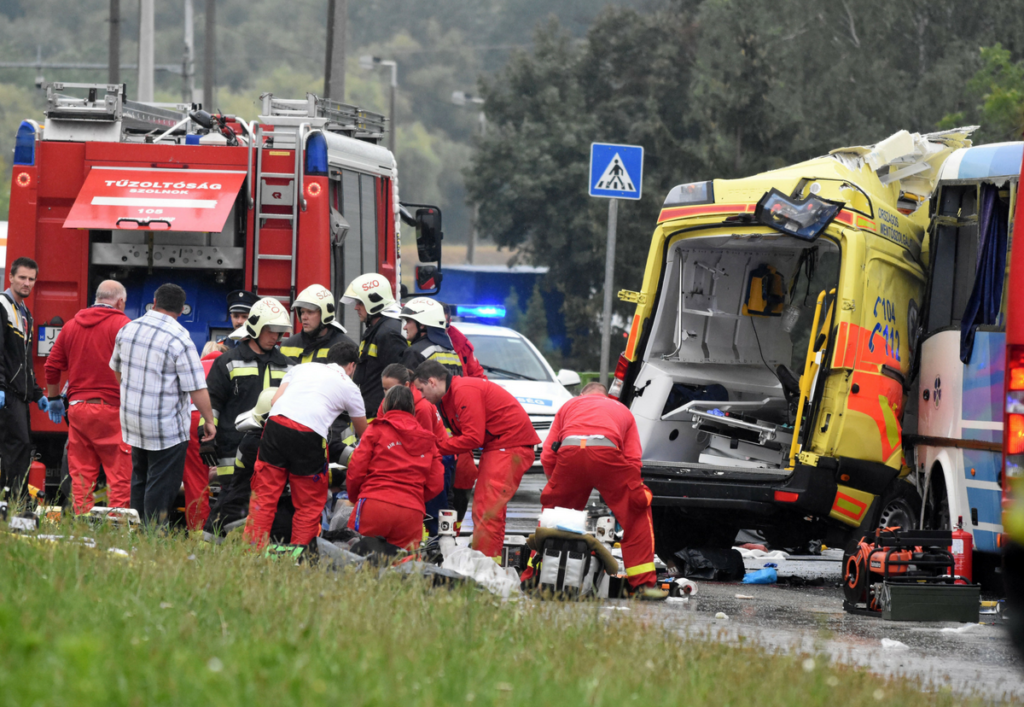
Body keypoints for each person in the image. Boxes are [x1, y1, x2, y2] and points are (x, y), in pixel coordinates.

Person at [539, 381, 665, 600]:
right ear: (607, 396)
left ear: (582, 394)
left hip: (570, 455)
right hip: (608, 453)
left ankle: (537, 575)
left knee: (554, 516)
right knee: (637, 513)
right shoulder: (621, 410)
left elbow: (548, 455)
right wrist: (631, 490)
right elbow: (633, 458)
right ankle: (643, 585)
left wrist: (556, 484)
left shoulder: (569, 406)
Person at [109, 283, 216, 526]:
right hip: (166, 428)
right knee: (161, 483)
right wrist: (209, 420)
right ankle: (153, 538)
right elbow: (196, 387)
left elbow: (117, 370)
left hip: (133, 421)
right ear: (181, 310)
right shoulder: (180, 338)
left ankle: (134, 531)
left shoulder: (128, 329)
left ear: (154, 302)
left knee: (139, 477)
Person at [244, 342, 367, 547]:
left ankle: (252, 553)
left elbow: (275, 401)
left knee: (264, 498)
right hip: (309, 435)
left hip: (276, 427)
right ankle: (299, 557)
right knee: (308, 506)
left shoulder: (301, 368)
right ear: (352, 366)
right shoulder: (349, 386)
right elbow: (364, 434)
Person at [414, 360, 539, 559]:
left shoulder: (464, 390)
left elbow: (472, 437)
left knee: (486, 509)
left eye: (421, 389)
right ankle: (487, 558)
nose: (421, 396)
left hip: (509, 445)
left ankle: (484, 565)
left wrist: (436, 447)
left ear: (431, 382)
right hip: (500, 445)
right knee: (487, 509)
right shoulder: (450, 397)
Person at [43, 280, 132, 514]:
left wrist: (53, 399)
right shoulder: (124, 326)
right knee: (119, 476)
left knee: (81, 476)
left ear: (97, 297)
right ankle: (117, 529)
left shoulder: (71, 325)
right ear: (120, 301)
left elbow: (52, 366)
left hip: (78, 409)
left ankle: (81, 526)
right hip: (113, 410)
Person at [346, 385, 444, 550]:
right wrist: (414, 498)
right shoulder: (428, 440)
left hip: (374, 504)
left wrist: (358, 496)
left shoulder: (375, 430)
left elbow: (356, 469)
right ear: (412, 407)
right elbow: (436, 483)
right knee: (403, 568)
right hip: (411, 513)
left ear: (385, 405)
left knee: (362, 564)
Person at [205, 298, 294, 478]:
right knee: (231, 505)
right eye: (270, 330)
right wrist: (206, 438)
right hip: (232, 457)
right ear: (256, 328)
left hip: (274, 457)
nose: (275, 337)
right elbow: (211, 403)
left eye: (279, 332)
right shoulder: (227, 362)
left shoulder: (289, 367)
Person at [0, 257, 50, 499]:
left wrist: (37, 393)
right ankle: (9, 505)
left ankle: (13, 504)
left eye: (31, 279)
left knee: (21, 448)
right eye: (22, 277)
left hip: (19, 395)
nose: (26, 283)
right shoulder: (2, 305)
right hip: (6, 392)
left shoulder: (24, 312)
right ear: (10, 277)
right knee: (16, 447)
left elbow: (25, 361)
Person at [341, 273, 408, 414]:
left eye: (360, 303)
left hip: (381, 417)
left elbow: (398, 382)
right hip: (373, 414)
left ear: (373, 301)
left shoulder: (388, 333)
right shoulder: (378, 330)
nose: (356, 308)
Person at [181, 340, 227, 530]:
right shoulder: (228, 365)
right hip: (218, 418)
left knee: (195, 481)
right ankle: (228, 529)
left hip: (190, 419)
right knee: (231, 476)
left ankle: (198, 533)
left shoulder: (196, 367)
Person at [280, 284, 355, 363]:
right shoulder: (286, 346)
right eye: (302, 312)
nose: (304, 317)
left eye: (310, 312)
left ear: (325, 314)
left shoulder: (347, 349)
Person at [399, 297, 464, 376]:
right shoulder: (452, 353)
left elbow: (407, 386)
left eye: (408, 322)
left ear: (422, 324)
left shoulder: (415, 352)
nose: (404, 327)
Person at [442, 303, 487, 379]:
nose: (438, 328)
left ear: (449, 322)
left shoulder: (463, 346)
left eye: (442, 323)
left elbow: (477, 377)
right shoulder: (419, 344)